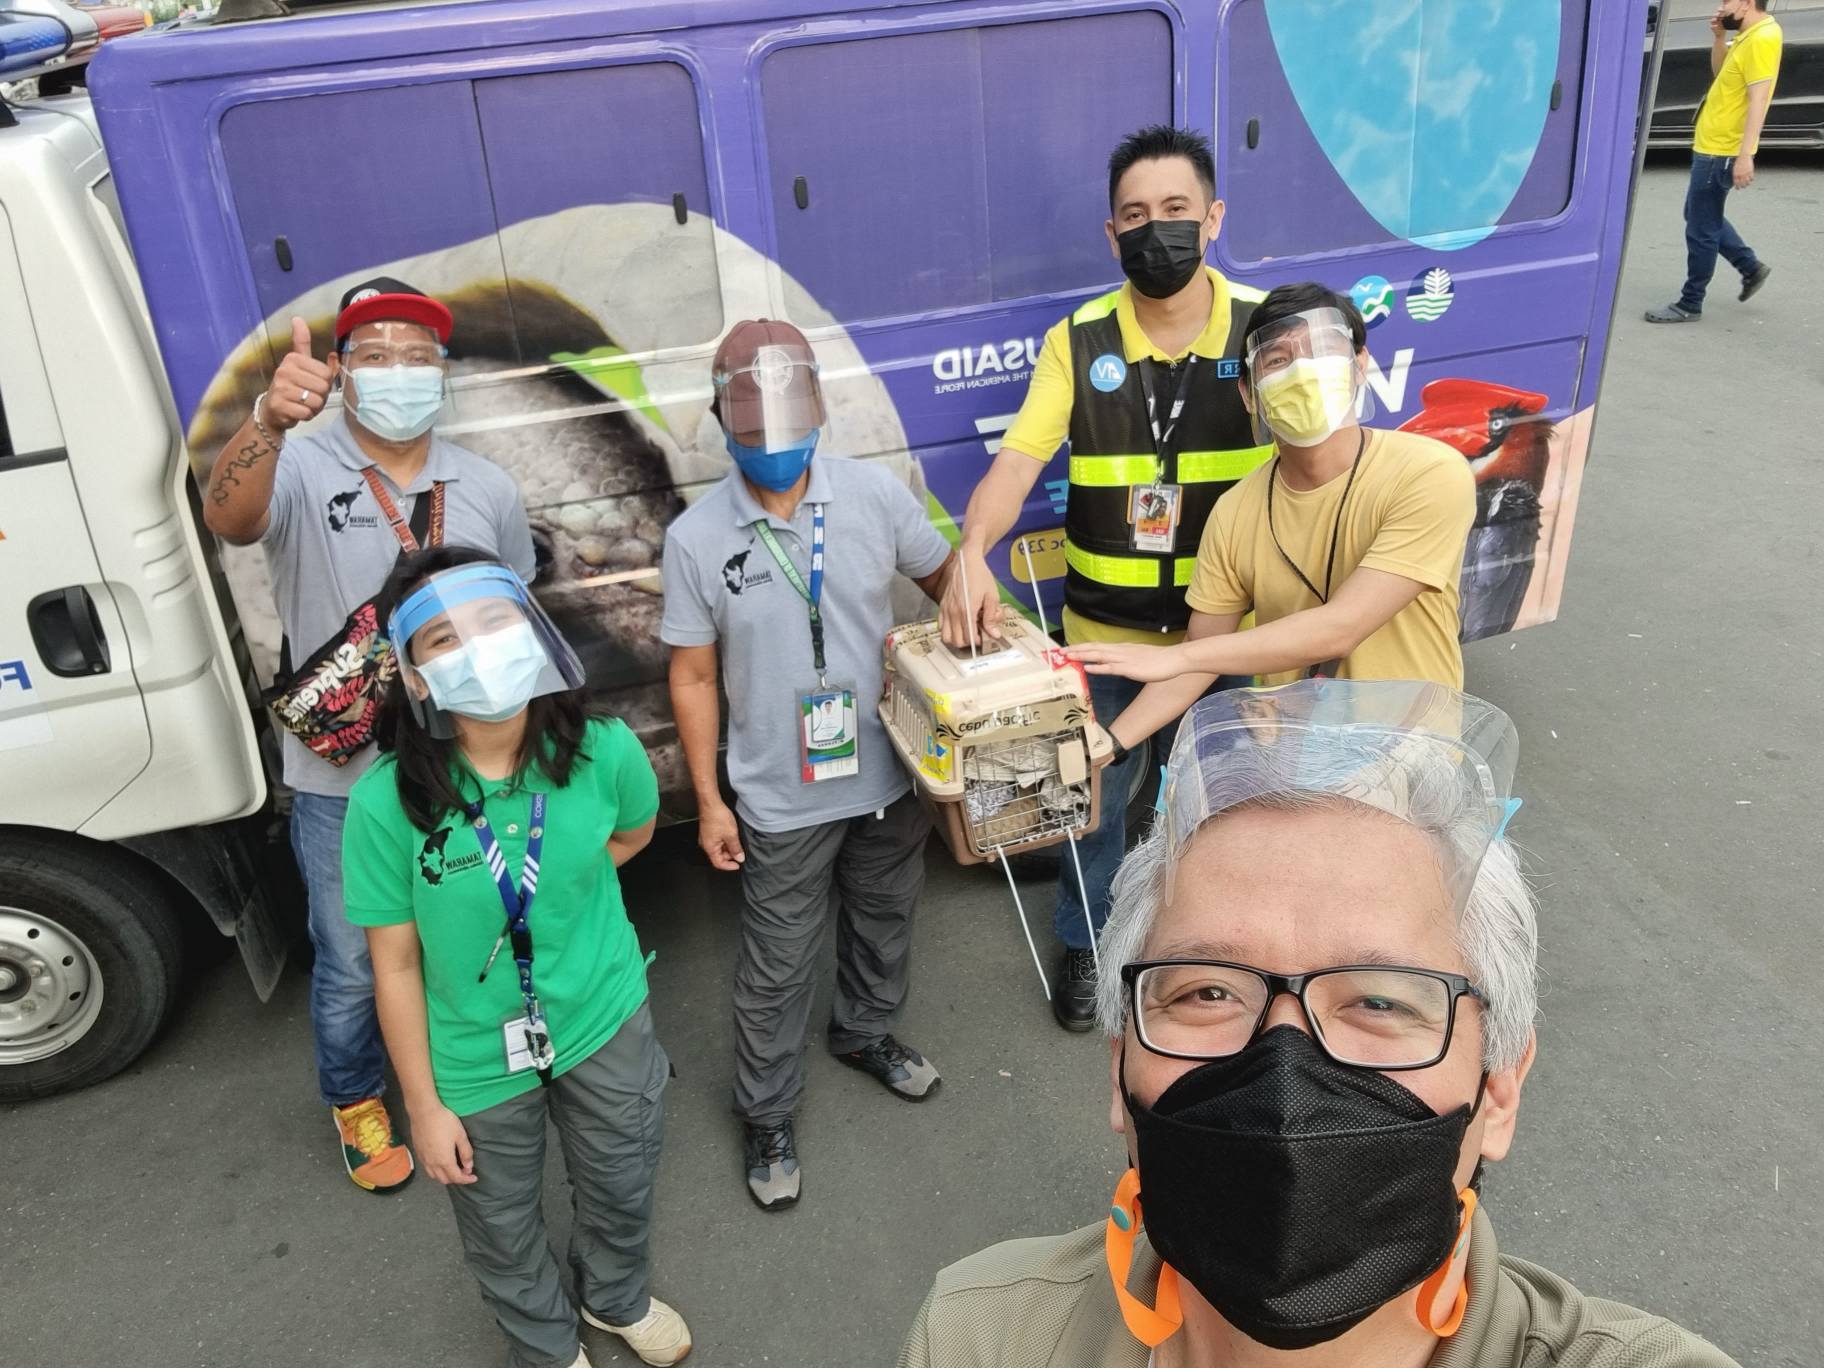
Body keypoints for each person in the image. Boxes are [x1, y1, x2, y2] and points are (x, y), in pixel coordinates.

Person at [900, 679, 1741, 1368]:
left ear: (1503, 1086)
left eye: (1381, 1001)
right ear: (1119, 1068)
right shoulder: (977, 1339)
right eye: (1207, 993)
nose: (1284, 1073)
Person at [202, 278, 536, 1192]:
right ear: (342, 370)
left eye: (418, 355)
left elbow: (514, 610)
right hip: (340, 776)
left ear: (443, 373)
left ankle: (460, 1076)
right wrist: (268, 420)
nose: (399, 371)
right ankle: (355, 1096)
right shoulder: (302, 466)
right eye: (375, 355)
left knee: (470, 929)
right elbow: (227, 520)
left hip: (463, 759)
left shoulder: (487, 486)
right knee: (353, 960)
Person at [939, 124, 1268, 1032]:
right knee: (1093, 804)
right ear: (1110, 233)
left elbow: (1316, 459)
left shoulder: (1264, 328)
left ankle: (1210, 956)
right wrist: (972, 552)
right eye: (1135, 215)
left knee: (1224, 806)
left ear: (1213, 218)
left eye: (1174, 211)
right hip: (1105, 635)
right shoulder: (1078, 341)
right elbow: (1015, 464)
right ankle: (1085, 944)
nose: (1154, 229)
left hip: (1227, 640)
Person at [343, 547, 690, 1368]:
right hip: (472, 1057)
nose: (477, 648)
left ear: (531, 631)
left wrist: (551, 896)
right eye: (440, 640)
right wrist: (423, 1107)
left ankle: (615, 1299)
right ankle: (546, 1346)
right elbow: (392, 964)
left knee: (622, 1178)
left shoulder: (604, 749)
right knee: (499, 1223)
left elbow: (632, 834)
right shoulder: (384, 803)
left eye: (493, 621)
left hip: (603, 1015)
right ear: (416, 677)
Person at [661, 318, 957, 1211]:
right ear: (722, 423)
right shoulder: (696, 537)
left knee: (883, 918)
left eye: (790, 433)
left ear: (820, 414)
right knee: (778, 962)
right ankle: (767, 1109)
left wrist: (979, 675)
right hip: (778, 793)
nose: (775, 451)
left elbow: (951, 584)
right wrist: (710, 801)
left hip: (886, 771)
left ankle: (865, 1033)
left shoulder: (873, 497)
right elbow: (694, 672)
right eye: (753, 436)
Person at [1067, 281, 1474, 759]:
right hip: (1298, 760)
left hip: (1411, 755)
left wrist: (1175, 656)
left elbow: (1342, 626)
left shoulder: (1428, 472)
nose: (1302, 370)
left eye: (1322, 351)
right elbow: (1201, 659)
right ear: (1249, 393)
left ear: (1359, 366)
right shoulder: (1236, 511)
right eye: (1277, 360)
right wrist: (1106, 745)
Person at [1646, 0, 1781, 324]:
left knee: (1701, 227)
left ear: (1748, 3)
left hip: (1721, 150)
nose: (1722, 6)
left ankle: (1690, 302)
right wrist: (1719, 39)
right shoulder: (1749, 34)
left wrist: (1745, 155)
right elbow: (1722, 74)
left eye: (1727, 1)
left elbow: (1758, 100)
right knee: (1697, 214)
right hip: (1711, 143)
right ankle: (1749, 266)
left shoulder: (1762, 38)